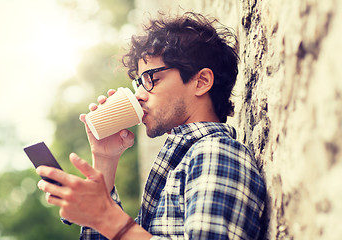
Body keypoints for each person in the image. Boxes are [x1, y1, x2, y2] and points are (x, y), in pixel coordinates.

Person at [36, 12, 266, 239]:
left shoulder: (216, 153)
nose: (138, 95)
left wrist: (106, 217)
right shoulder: (180, 164)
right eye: (138, 83)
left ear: (201, 82)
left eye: (150, 79)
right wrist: (106, 159)